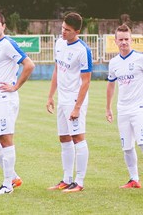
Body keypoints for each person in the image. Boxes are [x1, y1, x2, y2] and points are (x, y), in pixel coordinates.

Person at [0, 11, 35, 195]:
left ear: (3, 26)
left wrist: (15, 86)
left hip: (5, 99)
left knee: (6, 139)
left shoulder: (8, 44)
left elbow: (29, 64)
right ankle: (13, 176)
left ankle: (7, 185)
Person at [46, 12, 92, 193]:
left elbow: (86, 81)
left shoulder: (83, 50)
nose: (63, 32)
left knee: (78, 137)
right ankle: (67, 179)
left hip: (74, 99)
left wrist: (77, 107)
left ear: (77, 31)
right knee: (64, 138)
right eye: (63, 28)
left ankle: (79, 182)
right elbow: (57, 69)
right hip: (62, 99)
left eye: (68, 30)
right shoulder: (59, 43)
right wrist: (50, 96)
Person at [106, 24, 143, 189]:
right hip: (123, 110)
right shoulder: (113, 63)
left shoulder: (140, 58)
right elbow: (111, 85)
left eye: (126, 39)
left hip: (139, 108)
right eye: (120, 40)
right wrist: (108, 108)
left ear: (131, 40)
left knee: (142, 143)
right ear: (115, 41)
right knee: (127, 147)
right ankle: (134, 179)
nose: (123, 43)